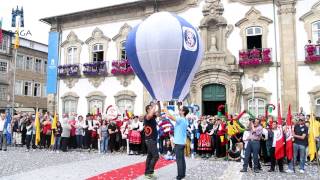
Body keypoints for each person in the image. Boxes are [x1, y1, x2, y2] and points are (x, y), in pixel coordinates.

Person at [167, 106, 189, 180]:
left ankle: (180, 176)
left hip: (179, 142)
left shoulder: (181, 119)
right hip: (182, 142)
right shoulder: (185, 120)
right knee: (182, 159)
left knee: (179, 160)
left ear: (183, 112)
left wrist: (164, 107)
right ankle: (182, 174)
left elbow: (169, 116)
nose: (179, 111)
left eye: (180, 110)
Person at [144, 104, 159, 179]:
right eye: (150, 108)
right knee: (156, 156)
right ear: (147, 110)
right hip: (150, 140)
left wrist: (158, 104)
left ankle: (147, 173)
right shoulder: (147, 117)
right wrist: (154, 105)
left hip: (152, 139)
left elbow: (158, 113)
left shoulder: (153, 116)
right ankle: (150, 172)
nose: (153, 109)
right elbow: (150, 115)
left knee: (150, 156)